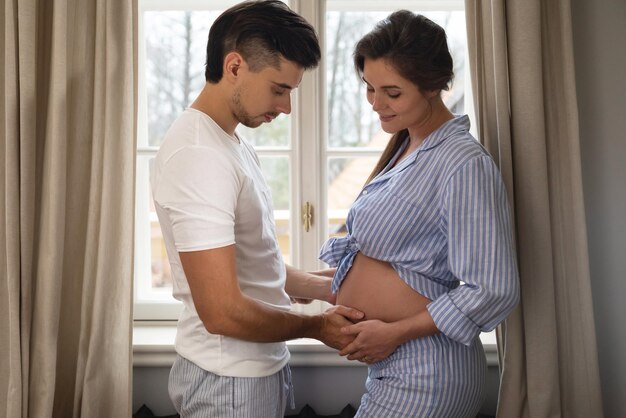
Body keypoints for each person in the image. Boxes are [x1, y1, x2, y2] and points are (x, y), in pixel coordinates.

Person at [151, 1, 364, 417]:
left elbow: (251, 267)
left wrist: (326, 286)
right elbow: (223, 311)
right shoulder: (199, 155)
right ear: (234, 67)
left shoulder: (230, 143)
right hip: (229, 381)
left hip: (254, 372)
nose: (285, 107)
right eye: (279, 89)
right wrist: (317, 326)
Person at [318, 11, 520, 418]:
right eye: (370, 88)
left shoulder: (462, 163)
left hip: (427, 371)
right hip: (395, 366)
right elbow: (392, 266)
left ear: (433, 86)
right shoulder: (404, 147)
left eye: (391, 92)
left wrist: (394, 333)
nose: (376, 104)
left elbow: (492, 287)